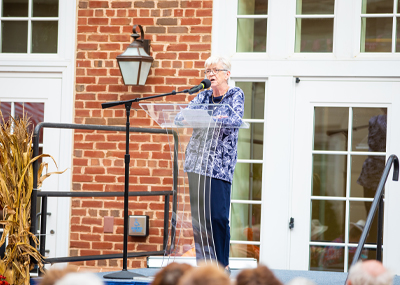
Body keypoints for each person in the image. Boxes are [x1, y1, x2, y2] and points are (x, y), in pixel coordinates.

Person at [176, 55, 245, 272]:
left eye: (215, 70)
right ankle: (204, 267)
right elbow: (180, 117)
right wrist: (206, 117)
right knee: (199, 220)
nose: (211, 74)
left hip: (219, 166)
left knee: (217, 217)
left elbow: (232, 119)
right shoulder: (203, 95)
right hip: (196, 163)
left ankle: (221, 265)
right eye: (207, 71)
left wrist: (203, 118)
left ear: (227, 74)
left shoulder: (235, 94)